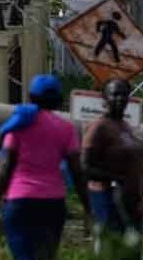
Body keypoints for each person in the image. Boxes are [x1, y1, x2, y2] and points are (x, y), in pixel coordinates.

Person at [0, 75, 91, 260]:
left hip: (20, 201)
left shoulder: (19, 123)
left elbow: (7, 166)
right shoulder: (66, 129)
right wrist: (88, 207)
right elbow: (77, 171)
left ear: (31, 97)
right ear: (58, 100)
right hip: (52, 203)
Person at [83, 78, 143, 260]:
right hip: (108, 202)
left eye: (123, 94)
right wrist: (117, 179)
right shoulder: (98, 128)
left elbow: (137, 170)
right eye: (114, 94)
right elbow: (86, 167)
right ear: (105, 99)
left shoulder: (125, 127)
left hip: (132, 205)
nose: (119, 98)